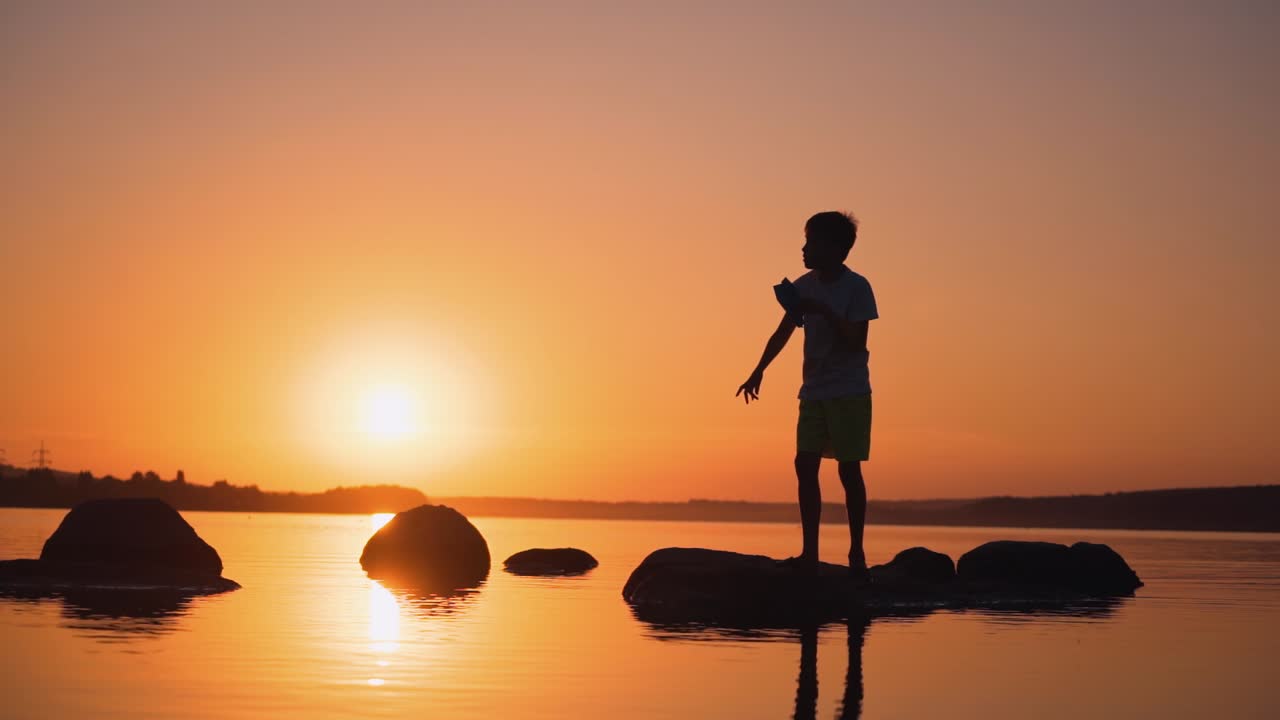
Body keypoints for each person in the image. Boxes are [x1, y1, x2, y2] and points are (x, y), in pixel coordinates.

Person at [737, 211, 878, 579]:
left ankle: (857, 553)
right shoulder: (801, 287)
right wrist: (758, 370)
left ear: (837, 249)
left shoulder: (857, 287)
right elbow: (782, 332)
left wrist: (825, 311)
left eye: (811, 242)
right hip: (813, 391)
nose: (804, 249)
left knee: (849, 470)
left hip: (849, 391)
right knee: (804, 465)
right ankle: (811, 554)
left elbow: (856, 341)